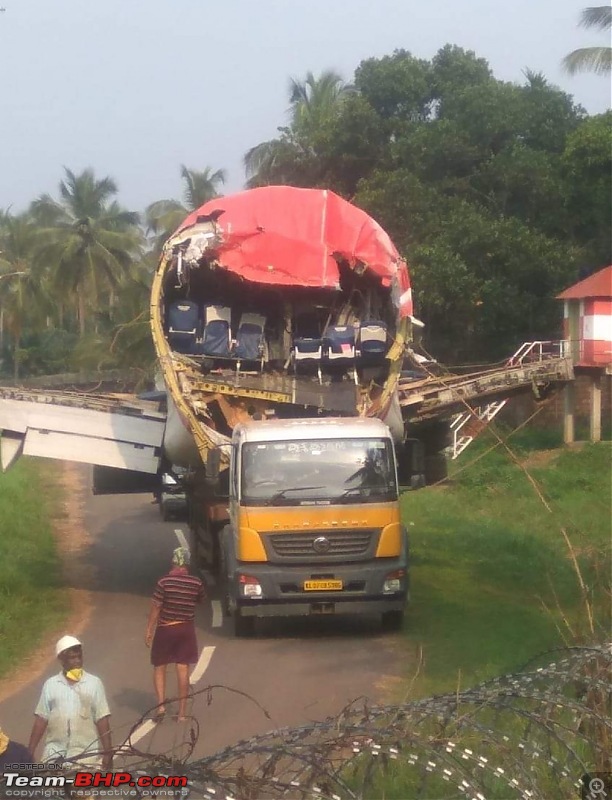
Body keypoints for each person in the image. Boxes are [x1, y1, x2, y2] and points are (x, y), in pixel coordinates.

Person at [28, 636, 112, 771]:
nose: (77, 661)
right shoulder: (51, 685)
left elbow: (102, 719)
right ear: (61, 660)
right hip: (54, 752)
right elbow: (41, 718)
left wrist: (108, 752)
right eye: (72, 658)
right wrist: (30, 751)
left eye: (79, 657)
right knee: (51, 789)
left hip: (85, 753)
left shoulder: (94, 683)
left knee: (82, 791)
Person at [145, 546, 205, 722]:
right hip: (186, 629)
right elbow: (201, 600)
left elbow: (156, 607)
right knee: (182, 667)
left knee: (160, 666)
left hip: (166, 628)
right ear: (187, 563)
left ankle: (161, 706)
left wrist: (149, 629)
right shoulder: (196, 583)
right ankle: (182, 713)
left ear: (173, 561)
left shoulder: (164, 582)